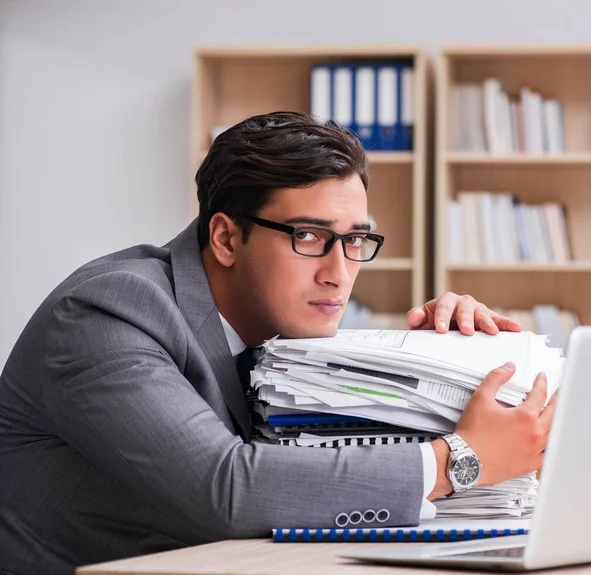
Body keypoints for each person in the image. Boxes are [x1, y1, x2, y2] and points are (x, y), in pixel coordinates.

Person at [0, 111, 555, 575]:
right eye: (310, 237)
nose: (339, 273)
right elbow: (227, 488)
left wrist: (450, 363)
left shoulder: (277, 329)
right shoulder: (107, 314)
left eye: (356, 239)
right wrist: (460, 459)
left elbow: (308, 463)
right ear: (225, 237)